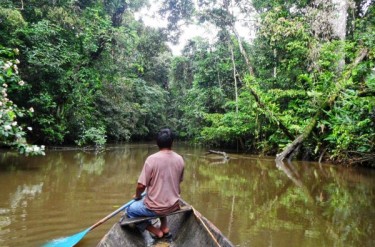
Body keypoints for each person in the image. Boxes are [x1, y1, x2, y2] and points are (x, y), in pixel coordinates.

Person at [126, 128, 185, 240]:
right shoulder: (180, 159)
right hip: (174, 206)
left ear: (157, 143)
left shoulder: (151, 160)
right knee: (161, 199)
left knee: (130, 210)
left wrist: (138, 196)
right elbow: (179, 181)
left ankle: (157, 232)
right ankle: (165, 228)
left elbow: (141, 186)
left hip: (155, 208)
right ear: (172, 142)